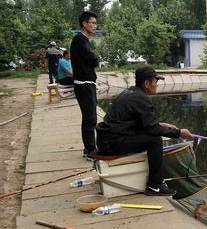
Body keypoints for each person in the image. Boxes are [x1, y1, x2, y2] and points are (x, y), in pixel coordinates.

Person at [96, 66, 193, 197]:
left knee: (151, 136)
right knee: (154, 140)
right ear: (146, 84)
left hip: (107, 140)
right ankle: (155, 185)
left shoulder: (131, 93)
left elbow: (141, 123)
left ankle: (155, 181)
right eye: (155, 82)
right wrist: (179, 133)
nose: (156, 85)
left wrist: (160, 124)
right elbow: (152, 129)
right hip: (111, 143)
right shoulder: (141, 98)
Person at [70, 11, 99, 159]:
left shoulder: (83, 40)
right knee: (90, 118)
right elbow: (92, 58)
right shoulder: (80, 40)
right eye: (92, 23)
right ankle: (90, 150)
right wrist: (96, 60)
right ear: (84, 24)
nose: (95, 26)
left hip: (86, 83)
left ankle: (89, 148)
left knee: (90, 117)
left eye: (95, 23)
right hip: (84, 84)